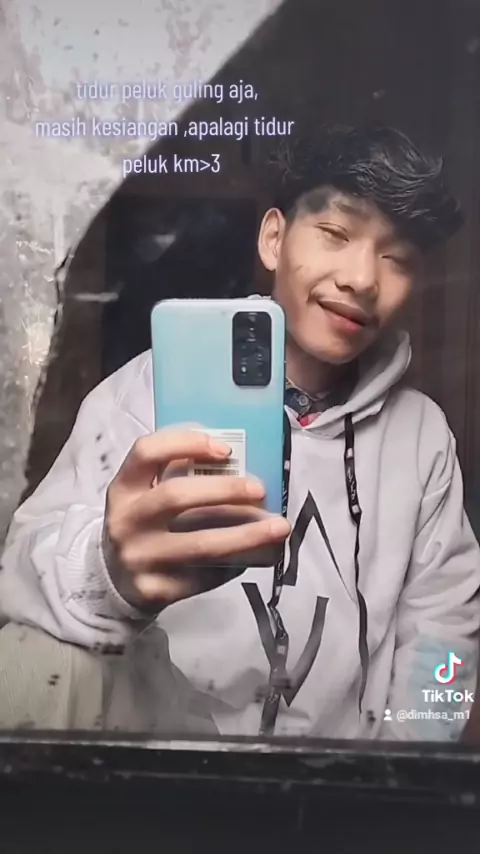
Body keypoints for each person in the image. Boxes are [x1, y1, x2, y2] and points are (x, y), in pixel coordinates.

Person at [1, 124, 479, 740]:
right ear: (274, 238)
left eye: (398, 259)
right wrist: (108, 574)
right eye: (336, 234)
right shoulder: (147, 393)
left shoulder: (422, 437)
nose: (362, 278)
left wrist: (399, 769)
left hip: (338, 780)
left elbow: (444, 630)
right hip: (167, 761)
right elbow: (23, 575)